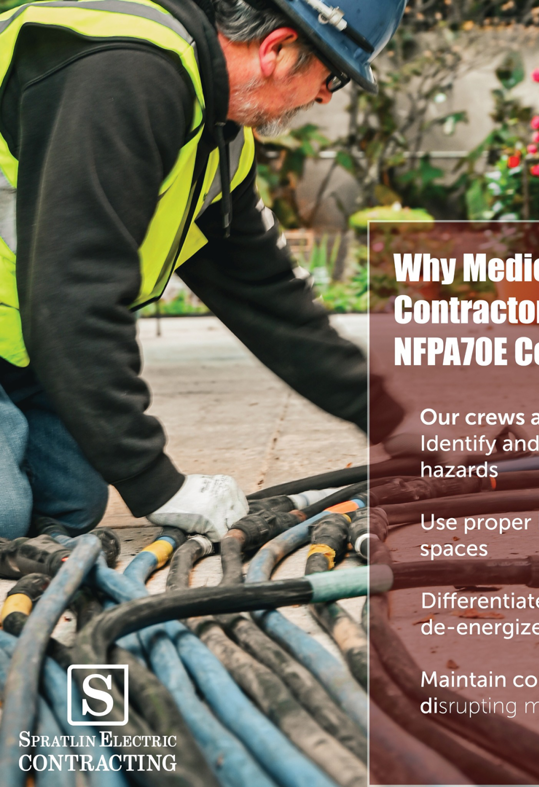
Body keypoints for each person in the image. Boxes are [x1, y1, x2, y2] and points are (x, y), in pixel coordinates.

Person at [0, 0, 407, 540]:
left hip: (23, 344)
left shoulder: (216, 133)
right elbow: (76, 291)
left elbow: (269, 297)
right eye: (332, 73)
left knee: (70, 506)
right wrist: (159, 486)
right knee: (7, 514)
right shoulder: (124, 71)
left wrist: (390, 423)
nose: (328, 94)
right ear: (277, 49)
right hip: (42, 323)